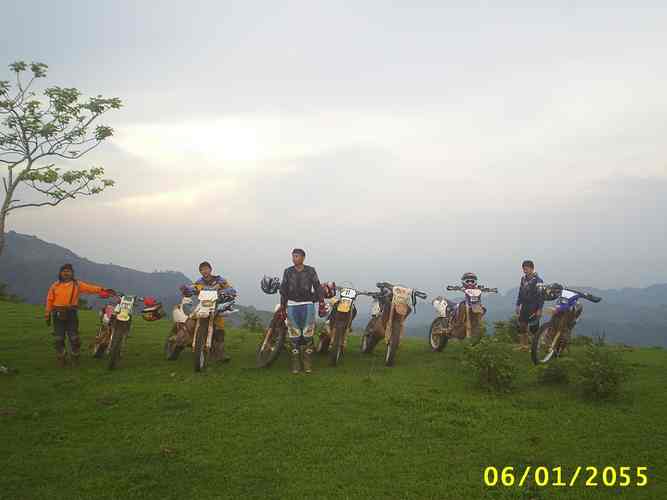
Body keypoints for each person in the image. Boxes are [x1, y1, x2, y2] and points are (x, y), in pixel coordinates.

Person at [45, 264, 114, 367]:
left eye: (68, 271)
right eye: (64, 271)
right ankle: (61, 357)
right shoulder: (55, 286)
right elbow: (49, 300)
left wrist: (103, 290)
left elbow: (90, 288)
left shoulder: (77, 284)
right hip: (57, 314)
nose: (66, 273)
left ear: (72, 273)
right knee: (58, 338)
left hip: (71, 313)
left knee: (74, 338)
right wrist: (47, 313)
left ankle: (75, 357)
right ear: (60, 273)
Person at [279, 248, 325, 374]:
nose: (294, 259)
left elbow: (317, 287)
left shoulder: (310, 271)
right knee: (294, 334)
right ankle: (295, 363)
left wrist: (321, 302)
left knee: (308, 333)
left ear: (303, 258)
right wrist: (283, 307)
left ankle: (307, 362)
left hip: (307, 305)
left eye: (297, 256)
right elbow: (283, 290)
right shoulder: (288, 271)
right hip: (292, 305)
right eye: (293, 256)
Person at [180, 261, 237, 362]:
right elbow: (192, 288)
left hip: (215, 306)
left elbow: (230, 288)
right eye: (202, 269)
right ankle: (182, 339)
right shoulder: (199, 282)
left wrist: (228, 291)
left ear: (210, 269)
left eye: (206, 268)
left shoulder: (219, 280)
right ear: (200, 271)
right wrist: (186, 290)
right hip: (202, 306)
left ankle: (220, 353)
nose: (204, 271)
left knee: (220, 329)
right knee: (191, 320)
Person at [515, 260, 544, 351]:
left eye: (526, 269)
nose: (525, 271)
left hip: (534, 306)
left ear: (532, 268)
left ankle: (535, 347)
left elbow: (541, 296)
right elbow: (520, 292)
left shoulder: (538, 280)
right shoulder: (523, 279)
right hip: (524, 306)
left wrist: (540, 309)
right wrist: (518, 305)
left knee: (534, 328)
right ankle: (523, 346)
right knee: (521, 326)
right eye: (523, 269)